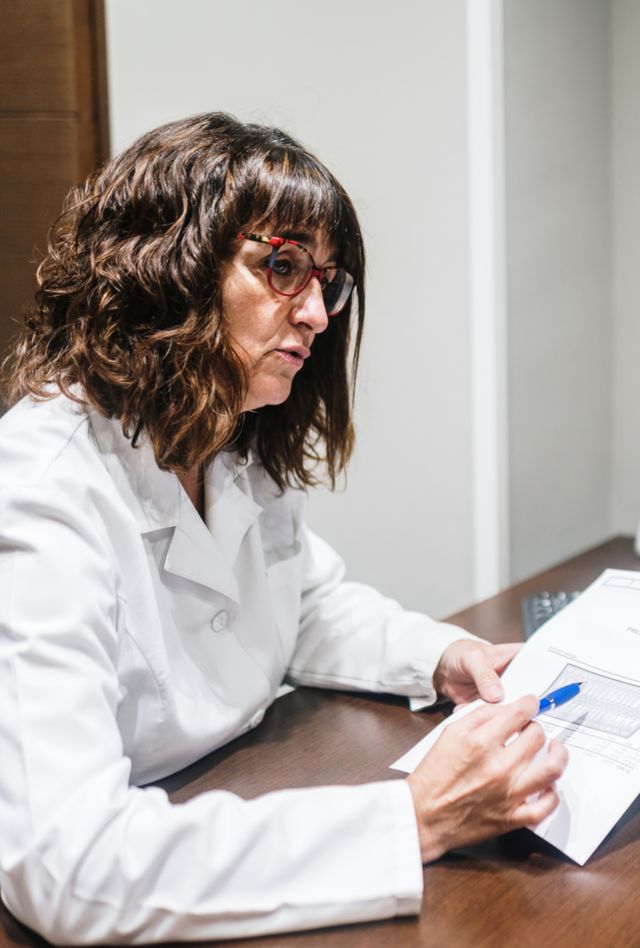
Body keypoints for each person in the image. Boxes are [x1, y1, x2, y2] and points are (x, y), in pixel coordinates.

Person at [0, 113, 568, 944]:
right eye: (282, 267)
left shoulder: (225, 441)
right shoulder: (39, 491)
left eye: (326, 281)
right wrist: (411, 819)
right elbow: (73, 868)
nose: (317, 315)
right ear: (171, 266)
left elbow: (303, 601)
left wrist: (444, 657)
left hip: (215, 794)